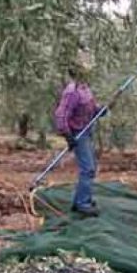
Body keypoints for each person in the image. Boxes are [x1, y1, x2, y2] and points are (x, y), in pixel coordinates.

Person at [54, 65, 101, 217]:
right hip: (77, 133)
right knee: (88, 168)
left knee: (91, 167)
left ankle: (80, 200)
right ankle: (83, 204)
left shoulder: (85, 88)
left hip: (86, 131)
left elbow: (92, 109)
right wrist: (68, 136)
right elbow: (61, 115)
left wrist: (100, 110)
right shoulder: (72, 91)